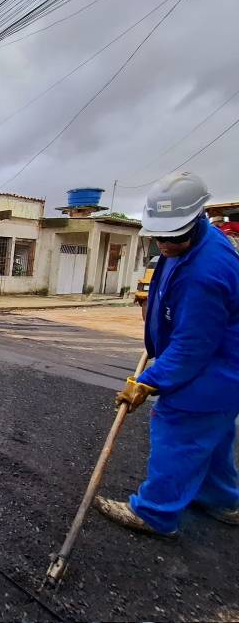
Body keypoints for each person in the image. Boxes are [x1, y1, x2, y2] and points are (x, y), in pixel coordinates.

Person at [94, 172, 239, 537]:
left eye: (173, 237)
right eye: (159, 236)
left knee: (179, 431)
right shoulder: (193, 243)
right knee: (212, 435)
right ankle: (222, 499)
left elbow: (192, 348)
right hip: (220, 369)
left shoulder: (207, 272)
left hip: (215, 371)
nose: (165, 244)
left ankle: (155, 513)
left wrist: (147, 382)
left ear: (196, 219)